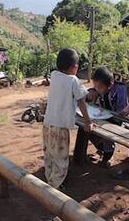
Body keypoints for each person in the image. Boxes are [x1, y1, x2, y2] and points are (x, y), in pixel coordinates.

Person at [43, 48, 93, 189]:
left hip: (47, 124)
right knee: (61, 159)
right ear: (75, 67)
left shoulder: (54, 75)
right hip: (60, 127)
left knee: (49, 154)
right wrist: (88, 121)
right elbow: (81, 101)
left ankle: (49, 178)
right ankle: (53, 188)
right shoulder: (74, 80)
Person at [73, 67, 128, 167]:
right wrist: (92, 91)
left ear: (110, 84)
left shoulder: (120, 90)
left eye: (99, 87)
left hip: (116, 120)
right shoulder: (100, 86)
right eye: (95, 86)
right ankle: (87, 154)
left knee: (106, 133)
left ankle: (108, 155)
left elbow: (122, 112)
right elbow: (93, 91)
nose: (97, 89)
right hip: (101, 117)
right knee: (85, 127)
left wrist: (109, 115)